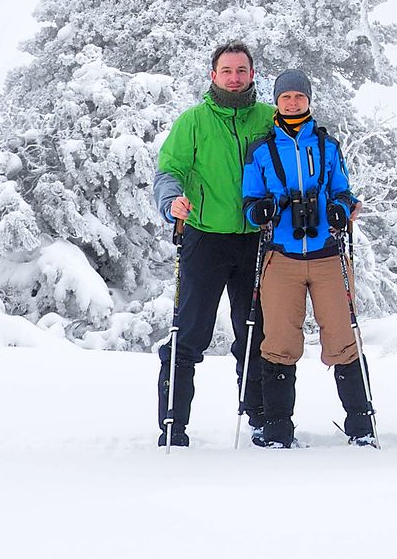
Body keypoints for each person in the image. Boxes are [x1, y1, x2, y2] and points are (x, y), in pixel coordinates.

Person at [241, 67, 377, 449]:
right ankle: (278, 431)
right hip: (281, 256)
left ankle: (361, 428)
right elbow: (248, 202)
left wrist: (339, 207)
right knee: (279, 341)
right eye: (286, 97)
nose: (293, 102)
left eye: (299, 97)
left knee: (342, 337)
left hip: (327, 255)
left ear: (308, 100)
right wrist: (262, 211)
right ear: (277, 102)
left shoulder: (326, 146)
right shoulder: (261, 150)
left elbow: (344, 192)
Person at [151, 41, 277, 447]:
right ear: (213, 75)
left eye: (242, 70)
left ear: (252, 75)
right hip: (205, 238)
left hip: (258, 241)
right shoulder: (194, 121)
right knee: (189, 332)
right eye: (227, 70)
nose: (235, 77)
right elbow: (169, 170)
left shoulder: (270, 119)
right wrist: (172, 202)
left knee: (255, 332)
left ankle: (258, 417)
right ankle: (173, 424)